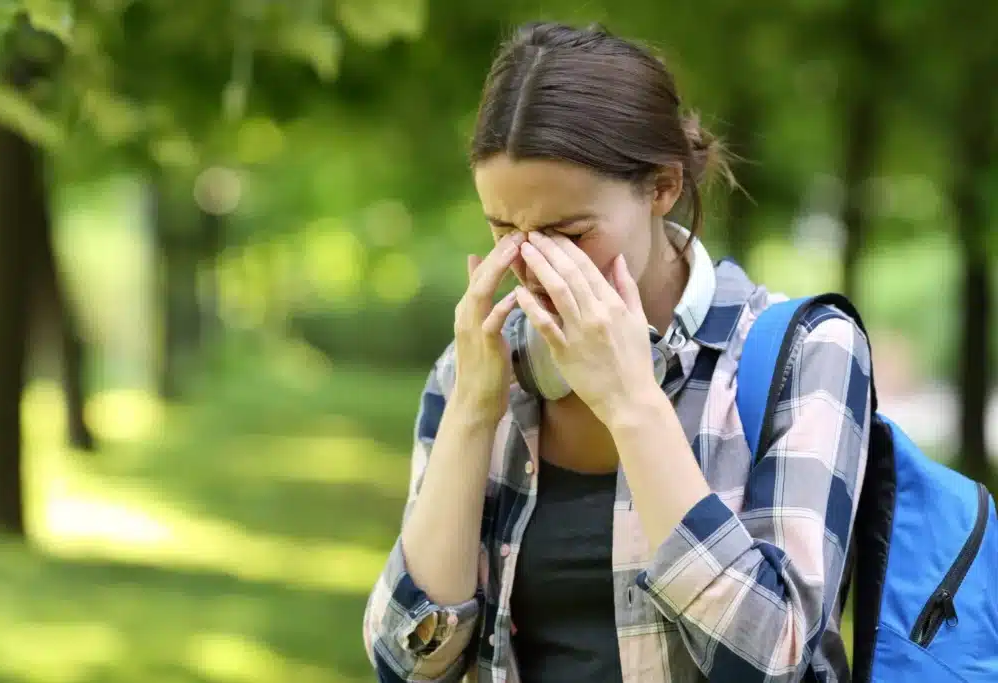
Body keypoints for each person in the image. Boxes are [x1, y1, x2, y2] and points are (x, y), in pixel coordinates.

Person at [363, 21, 871, 683]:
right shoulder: (478, 369)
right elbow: (405, 663)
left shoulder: (807, 354)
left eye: (567, 232)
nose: (533, 263)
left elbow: (777, 663)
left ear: (661, 187)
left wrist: (632, 401)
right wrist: (470, 411)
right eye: (503, 230)